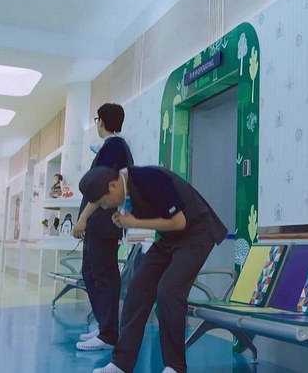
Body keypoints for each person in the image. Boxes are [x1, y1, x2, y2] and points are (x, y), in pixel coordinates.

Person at [79, 165, 228, 373]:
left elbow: (179, 222)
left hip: (197, 234)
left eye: (103, 202)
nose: (105, 207)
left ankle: (175, 367)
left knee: (169, 291)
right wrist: (125, 220)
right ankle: (121, 364)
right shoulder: (125, 190)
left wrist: (134, 222)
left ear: (113, 186)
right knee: (137, 290)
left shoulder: (150, 179)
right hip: (170, 239)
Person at [72, 103, 134, 351]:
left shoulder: (114, 146)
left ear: (103, 121)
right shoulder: (111, 147)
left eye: (97, 119)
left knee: (103, 275)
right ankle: (104, 325)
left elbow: (103, 188)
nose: (96, 123)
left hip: (103, 223)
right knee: (91, 271)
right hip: (99, 224)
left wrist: (84, 217)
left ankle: (108, 334)